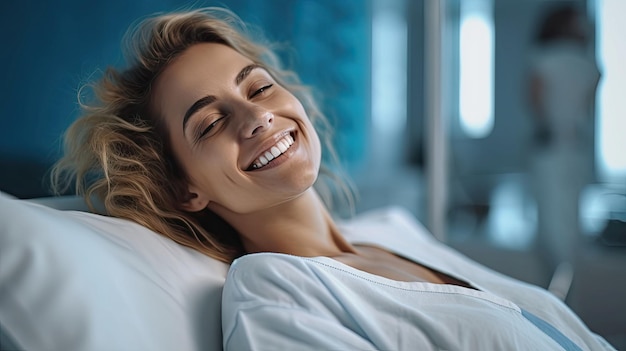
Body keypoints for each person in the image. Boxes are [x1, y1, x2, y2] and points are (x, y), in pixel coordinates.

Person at [51, 7, 614, 350]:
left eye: (259, 86)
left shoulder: (392, 231)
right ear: (185, 189)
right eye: (212, 121)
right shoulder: (274, 294)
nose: (257, 117)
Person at [527, 3, 601, 272]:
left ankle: (559, 283)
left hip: (553, 148)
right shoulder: (588, 65)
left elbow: (535, 101)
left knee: (553, 220)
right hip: (573, 148)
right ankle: (564, 281)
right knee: (568, 219)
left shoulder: (543, 59)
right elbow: (587, 105)